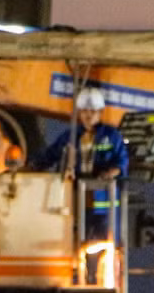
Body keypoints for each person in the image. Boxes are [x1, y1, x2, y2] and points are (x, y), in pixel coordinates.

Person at [39, 87, 130, 243]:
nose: (88, 115)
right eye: (85, 111)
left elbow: (122, 161)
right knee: (78, 240)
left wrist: (111, 173)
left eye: (93, 111)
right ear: (79, 112)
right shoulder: (71, 136)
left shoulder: (111, 136)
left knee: (105, 242)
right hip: (78, 197)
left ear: (100, 112)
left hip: (104, 200)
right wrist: (31, 165)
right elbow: (50, 155)